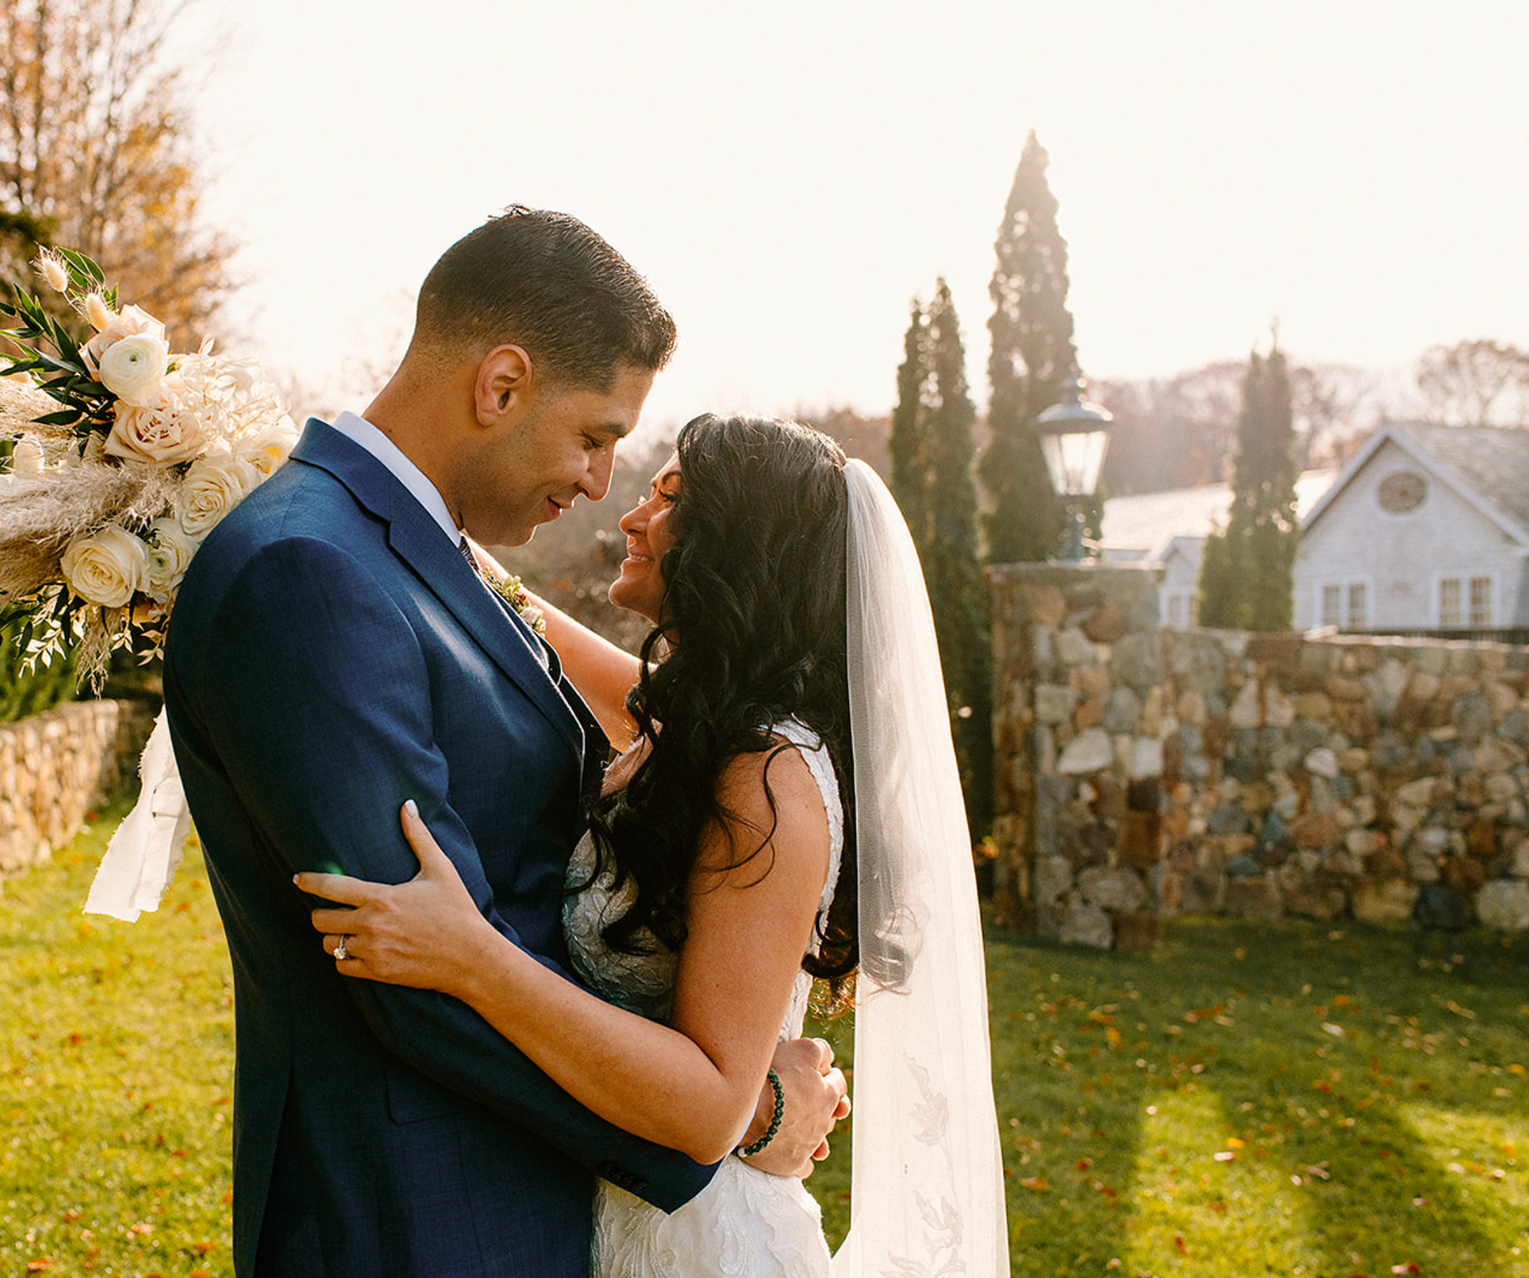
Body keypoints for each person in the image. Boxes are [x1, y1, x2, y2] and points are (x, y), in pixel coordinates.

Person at [161, 209, 848, 1278]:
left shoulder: (414, 557)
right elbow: (410, 972)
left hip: (514, 1206)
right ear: (501, 385)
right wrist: (737, 1118)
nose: (601, 484)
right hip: (416, 1223)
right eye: (594, 436)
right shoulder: (311, 574)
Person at [298, 414, 1012, 1276]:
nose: (630, 515)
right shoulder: (689, 721)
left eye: (668, 498)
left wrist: (468, 955)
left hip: (702, 1246)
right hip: (603, 1211)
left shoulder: (768, 772)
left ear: (738, 547)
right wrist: (349, 484)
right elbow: (522, 617)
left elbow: (713, 1104)